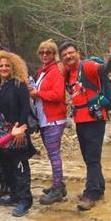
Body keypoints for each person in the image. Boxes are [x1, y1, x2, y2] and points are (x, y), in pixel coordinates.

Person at [60, 39, 111, 211]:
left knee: (92, 158)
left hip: (94, 118)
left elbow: (104, 69)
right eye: (64, 55)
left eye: (71, 52)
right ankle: (99, 188)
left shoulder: (86, 66)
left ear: (78, 53)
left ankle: (91, 194)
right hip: (80, 118)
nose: (68, 56)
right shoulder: (68, 73)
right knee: (89, 158)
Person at [0, 51, 35, 217]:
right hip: (1, 135)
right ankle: (14, 195)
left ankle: (25, 200)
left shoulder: (18, 84)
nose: (4, 68)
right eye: (1, 66)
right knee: (7, 166)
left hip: (17, 132)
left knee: (20, 166)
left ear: (13, 66)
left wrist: (21, 128)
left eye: (7, 65)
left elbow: (25, 108)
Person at [30, 40, 67, 205]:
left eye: (48, 52)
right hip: (46, 119)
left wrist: (38, 92)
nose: (45, 55)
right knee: (53, 154)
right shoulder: (43, 71)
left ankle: (58, 189)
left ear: (54, 54)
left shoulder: (56, 71)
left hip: (54, 119)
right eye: (42, 52)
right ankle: (58, 185)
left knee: (54, 155)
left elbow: (58, 95)